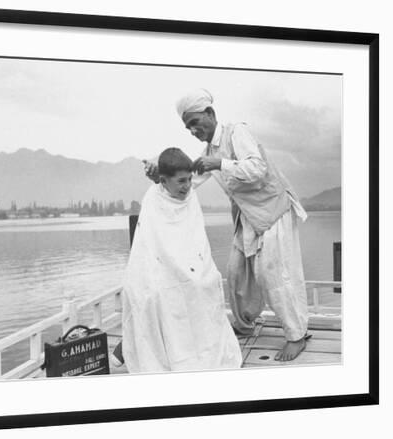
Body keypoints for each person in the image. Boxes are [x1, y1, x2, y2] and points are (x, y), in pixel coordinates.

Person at [145, 88, 310, 361]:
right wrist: (159, 176)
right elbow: (187, 184)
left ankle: (297, 335)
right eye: (188, 128)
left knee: (276, 275)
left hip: (274, 211)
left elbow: (257, 168)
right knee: (236, 273)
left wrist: (220, 163)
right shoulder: (208, 152)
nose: (193, 131)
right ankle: (244, 324)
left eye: (196, 123)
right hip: (248, 218)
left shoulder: (236, 133)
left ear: (210, 114)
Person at [120, 147, 242, 373]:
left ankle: (200, 350)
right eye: (181, 181)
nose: (187, 186)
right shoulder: (153, 199)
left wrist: (193, 271)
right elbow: (150, 246)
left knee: (206, 283)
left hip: (191, 267)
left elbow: (195, 241)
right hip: (160, 270)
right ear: (163, 181)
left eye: (189, 180)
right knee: (156, 294)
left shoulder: (190, 196)